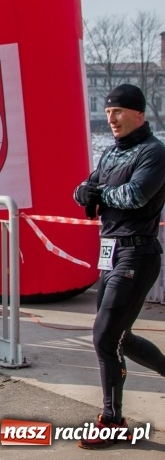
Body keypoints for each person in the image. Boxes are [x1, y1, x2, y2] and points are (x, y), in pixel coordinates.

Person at [72, 83, 165, 450]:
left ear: (138, 113)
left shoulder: (154, 152)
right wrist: (83, 192)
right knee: (119, 337)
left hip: (138, 254)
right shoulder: (112, 153)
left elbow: (136, 194)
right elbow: (87, 187)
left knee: (105, 337)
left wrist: (99, 193)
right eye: (108, 111)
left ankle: (112, 421)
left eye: (118, 111)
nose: (111, 118)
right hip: (110, 254)